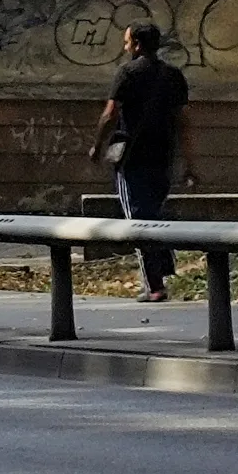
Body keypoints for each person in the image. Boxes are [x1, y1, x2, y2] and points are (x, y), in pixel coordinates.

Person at [89, 22, 197, 302]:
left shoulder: (127, 73)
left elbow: (110, 114)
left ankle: (154, 286)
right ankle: (164, 267)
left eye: (127, 42)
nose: (125, 46)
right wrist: (189, 164)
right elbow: (184, 122)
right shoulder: (173, 76)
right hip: (163, 157)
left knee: (137, 220)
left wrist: (97, 145)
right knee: (153, 215)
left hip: (132, 158)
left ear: (136, 44)